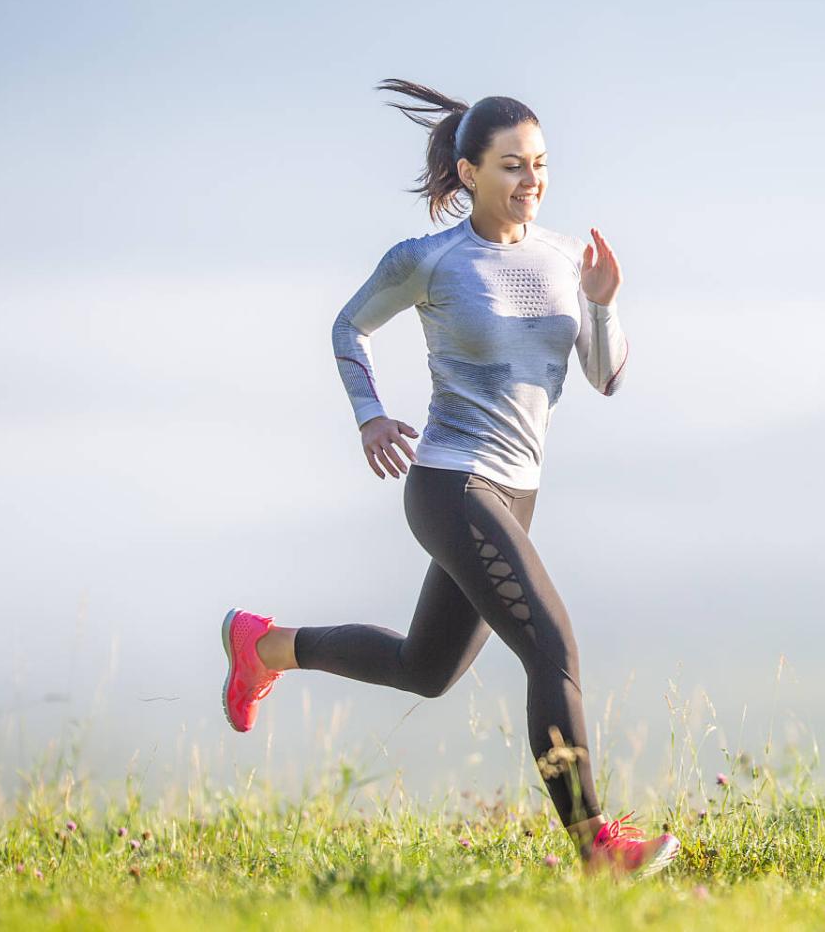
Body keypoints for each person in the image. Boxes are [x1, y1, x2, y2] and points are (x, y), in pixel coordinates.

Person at [218, 79, 677, 878]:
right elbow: (349, 327)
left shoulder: (566, 258)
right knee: (553, 649)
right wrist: (369, 415)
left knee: (424, 670)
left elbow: (606, 378)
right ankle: (596, 847)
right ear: (469, 173)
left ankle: (264, 646)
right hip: (450, 485)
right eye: (512, 165)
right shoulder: (429, 260)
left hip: (516, 493)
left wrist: (603, 304)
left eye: (540, 163)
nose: (531, 180)